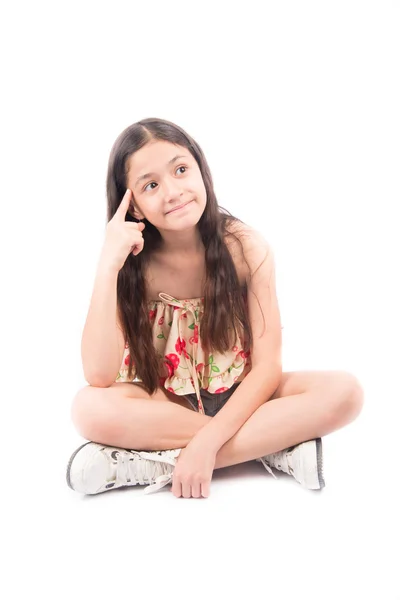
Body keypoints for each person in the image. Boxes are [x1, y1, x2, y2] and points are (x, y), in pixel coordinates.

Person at [66, 117, 364, 499]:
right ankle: (271, 448)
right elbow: (99, 374)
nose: (173, 191)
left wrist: (207, 446)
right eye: (151, 185)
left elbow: (268, 366)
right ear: (134, 206)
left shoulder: (245, 247)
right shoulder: (130, 262)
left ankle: (154, 462)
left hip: (242, 394)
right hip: (164, 404)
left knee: (345, 392)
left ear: (201, 171)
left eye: (181, 170)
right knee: (88, 408)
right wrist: (108, 264)